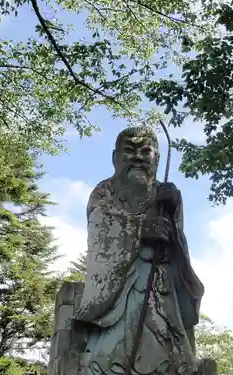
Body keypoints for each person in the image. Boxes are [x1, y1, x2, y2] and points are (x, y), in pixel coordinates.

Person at [74, 126, 205, 375]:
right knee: (109, 356)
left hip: (159, 284)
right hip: (119, 291)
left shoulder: (164, 193)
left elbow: (175, 240)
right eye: (129, 151)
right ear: (115, 158)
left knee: (171, 354)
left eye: (146, 151)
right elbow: (99, 225)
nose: (137, 157)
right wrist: (140, 228)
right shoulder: (105, 191)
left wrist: (174, 209)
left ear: (156, 158)